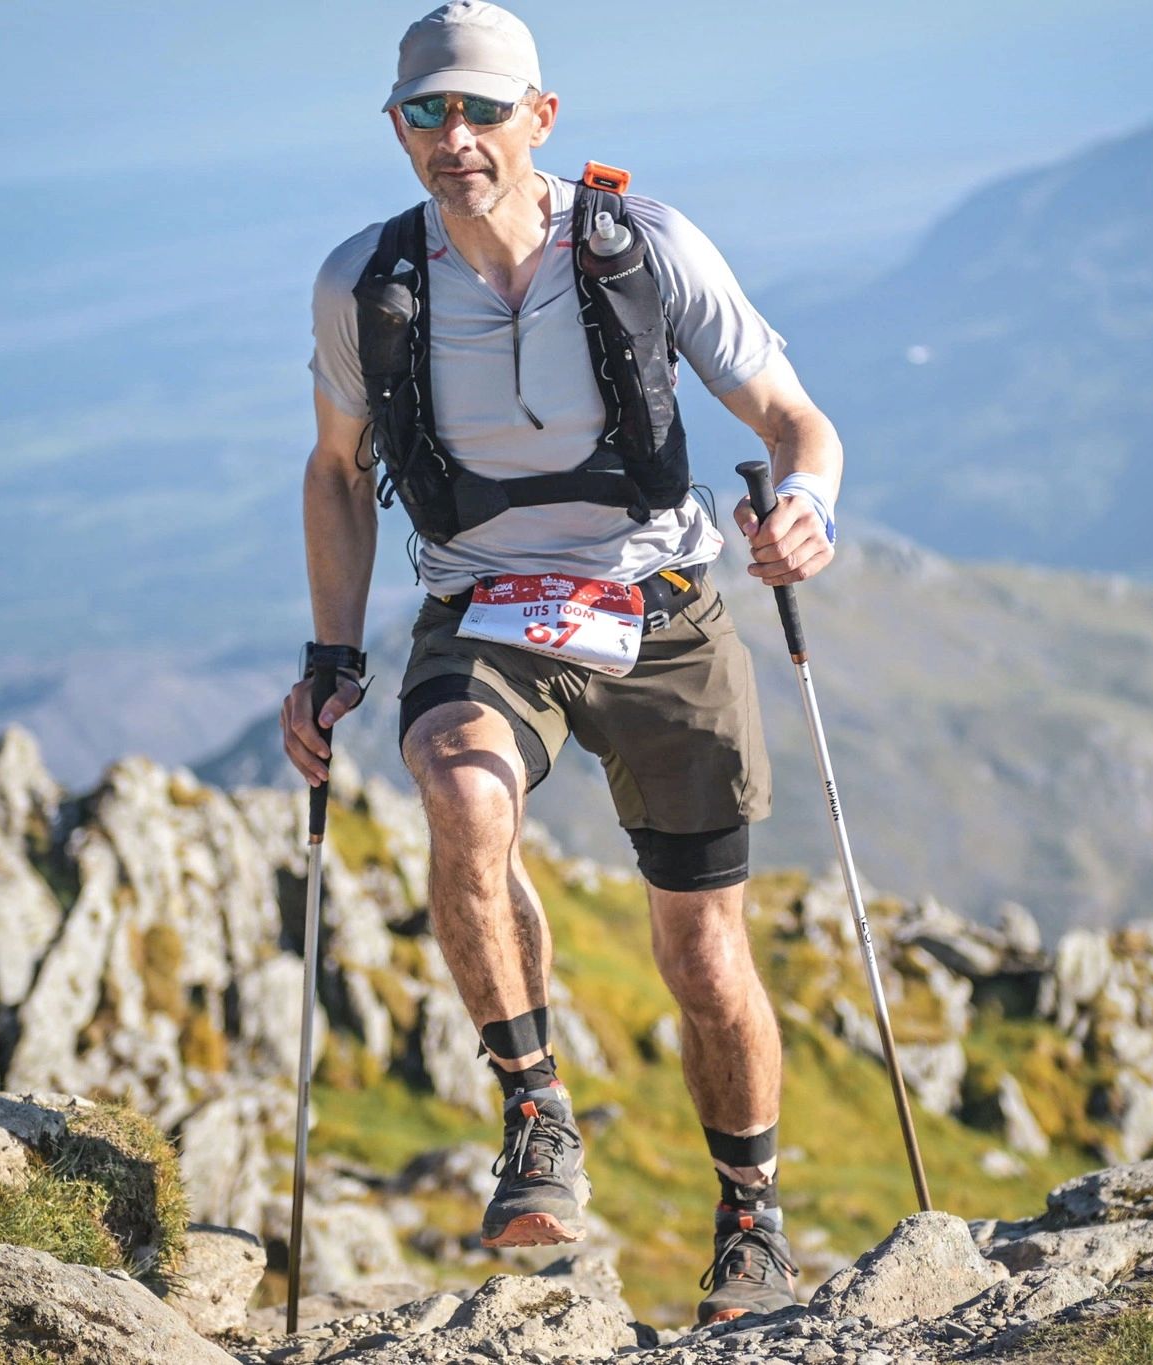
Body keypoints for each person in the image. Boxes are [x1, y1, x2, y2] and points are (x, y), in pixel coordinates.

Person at [281, 0, 843, 1325]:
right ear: (397, 128)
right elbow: (337, 470)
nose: (455, 137)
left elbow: (789, 412)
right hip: (483, 609)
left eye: (481, 109)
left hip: (659, 607)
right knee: (461, 789)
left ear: (542, 117)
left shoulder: (643, 248)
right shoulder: (368, 287)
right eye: (427, 112)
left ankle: (750, 1217)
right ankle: (536, 1111)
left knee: (705, 958)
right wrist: (331, 653)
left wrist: (808, 502)